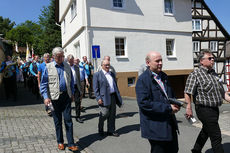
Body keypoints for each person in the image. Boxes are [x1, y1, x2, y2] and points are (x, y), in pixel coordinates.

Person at [184, 50, 229, 153]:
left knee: (206, 130)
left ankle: (196, 150)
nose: (212, 59)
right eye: (209, 58)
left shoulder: (214, 74)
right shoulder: (195, 74)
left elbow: (223, 93)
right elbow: (187, 92)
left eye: (213, 58)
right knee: (216, 135)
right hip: (203, 109)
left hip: (214, 109)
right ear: (201, 61)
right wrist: (188, 108)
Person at [135, 51, 180, 153]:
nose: (160, 63)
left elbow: (170, 95)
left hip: (169, 122)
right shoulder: (143, 80)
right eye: (157, 61)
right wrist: (168, 108)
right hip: (155, 126)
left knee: (173, 150)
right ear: (148, 63)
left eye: (161, 60)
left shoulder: (164, 76)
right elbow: (144, 104)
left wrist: (176, 103)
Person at [40, 47, 78, 152]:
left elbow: (71, 81)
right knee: (57, 121)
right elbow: (43, 84)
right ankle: (60, 142)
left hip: (66, 97)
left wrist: (72, 93)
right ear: (54, 57)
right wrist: (46, 97)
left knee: (68, 120)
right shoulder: (48, 67)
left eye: (62, 56)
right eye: (59, 56)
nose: (61, 58)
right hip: (54, 97)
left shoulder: (67, 66)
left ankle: (71, 143)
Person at [93, 59, 123, 137]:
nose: (107, 66)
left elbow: (115, 86)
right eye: (105, 65)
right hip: (103, 98)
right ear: (102, 66)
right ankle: (100, 129)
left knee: (112, 115)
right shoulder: (97, 75)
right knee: (104, 114)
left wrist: (118, 96)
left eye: (108, 65)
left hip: (113, 96)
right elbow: (95, 89)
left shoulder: (112, 74)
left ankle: (111, 130)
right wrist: (98, 98)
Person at [67, 55, 83, 123]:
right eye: (70, 61)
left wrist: (80, 88)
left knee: (77, 102)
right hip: (68, 87)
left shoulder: (76, 67)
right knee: (68, 102)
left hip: (76, 86)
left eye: (72, 60)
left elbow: (78, 78)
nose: (71, 62)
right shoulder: (66, 67)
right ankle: (68, 116)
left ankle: (78, 116)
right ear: (68, 60)